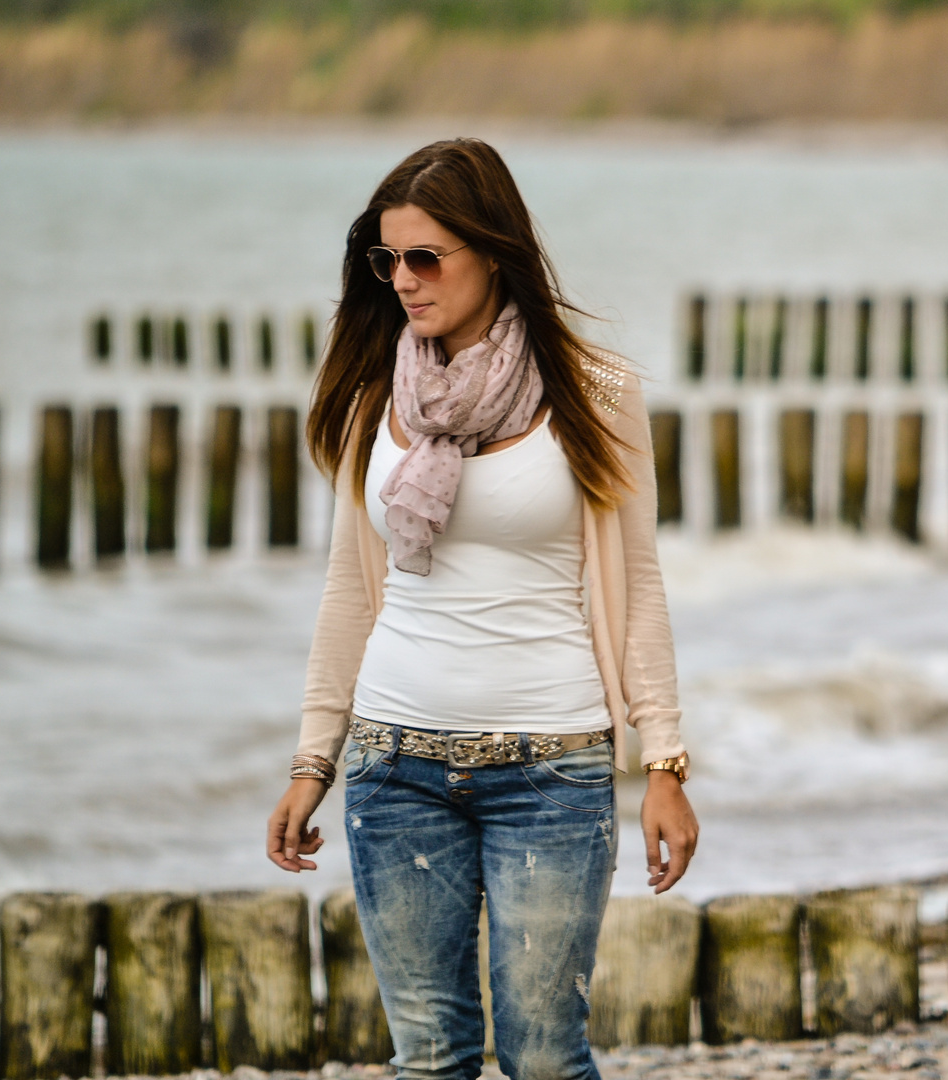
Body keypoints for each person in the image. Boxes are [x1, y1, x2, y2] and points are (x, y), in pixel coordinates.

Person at [265, 137, 698, 1080]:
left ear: (492, 252)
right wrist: (314, 759)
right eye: (388, 260)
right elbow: (349, 589)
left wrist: (664, 760)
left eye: (427, 257)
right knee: (428, 1059)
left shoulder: (596, 392)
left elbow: (640, 584)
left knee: (544, 1059)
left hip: (553, 768)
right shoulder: (376, 391)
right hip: (393, 767)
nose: (405, 282)